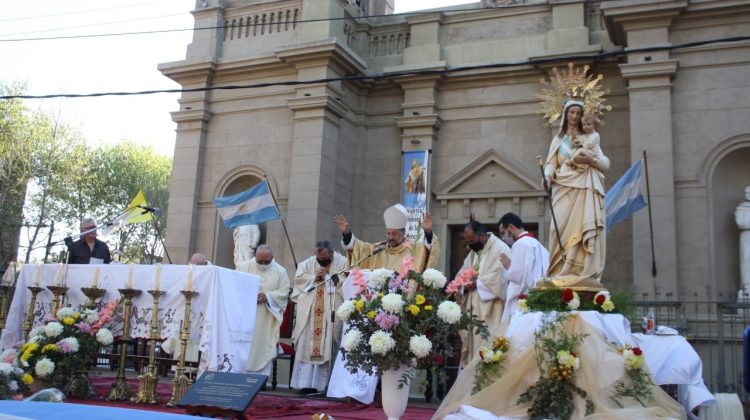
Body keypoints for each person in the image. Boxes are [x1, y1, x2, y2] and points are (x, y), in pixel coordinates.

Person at [543, 100, 609, 284]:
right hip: (562, 187)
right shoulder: (558, 140)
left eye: (578, 113)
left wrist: (592, 161)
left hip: (584, 186)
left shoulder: (589, 138)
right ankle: (558, 271)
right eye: (571, 112)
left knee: (583, 227)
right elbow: (551, 163)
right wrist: (547, 176)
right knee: (558, 231)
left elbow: (605, 163)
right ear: (565, 114)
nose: (575, 116)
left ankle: (579, 272)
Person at [290, 240, 348, 394]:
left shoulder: (342, 262)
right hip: (310, 314)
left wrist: (328, 276)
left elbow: (345, 283)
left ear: (331, 253)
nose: (321, 262)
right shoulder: (307, 264)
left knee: (327, 346)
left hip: (329, 313)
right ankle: (305, 384)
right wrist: (314, 277)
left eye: (325, 259)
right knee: (306, 347)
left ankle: (323, 386)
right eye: (319, 259)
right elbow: (299, 282)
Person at [455, 220, 511, 368]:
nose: (469, 245)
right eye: (467, 241)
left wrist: (477, 283)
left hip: (491, 311)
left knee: (487, 347)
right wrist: (461, 285)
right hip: (473, 310)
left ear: (482, 236)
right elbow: (462, 274)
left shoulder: (500, 248)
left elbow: (502, 278)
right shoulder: (474, 252)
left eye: (472, 241)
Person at [333, 204, 439, 272]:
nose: (391, 237)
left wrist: (428, 232)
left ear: (404, 232)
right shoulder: (378, 250)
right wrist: (347, 234)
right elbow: (358, 248)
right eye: (388, 233)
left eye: (394, 233)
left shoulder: (414, 249)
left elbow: (428, 251)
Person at [236, 244, 290, 376]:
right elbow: (235, 288)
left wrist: (268, 296)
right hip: (246, 317)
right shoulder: (244, 267)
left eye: (267, 261)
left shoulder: (280, 271)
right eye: (260, 261)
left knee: (264, 345)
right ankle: (240, 375)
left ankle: (261, 379)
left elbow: (284, 292)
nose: (263, 264)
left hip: (267, 318)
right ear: (255, 257)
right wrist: (250, 297)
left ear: (273, 257)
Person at [497, 212, 550, 322]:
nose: (503, 238)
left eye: (503, 233)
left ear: (511, 228)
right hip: (539, 298)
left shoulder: (521, 244)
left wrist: (508, 266)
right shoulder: (537, 244)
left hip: (523, 303)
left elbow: (517, 277)